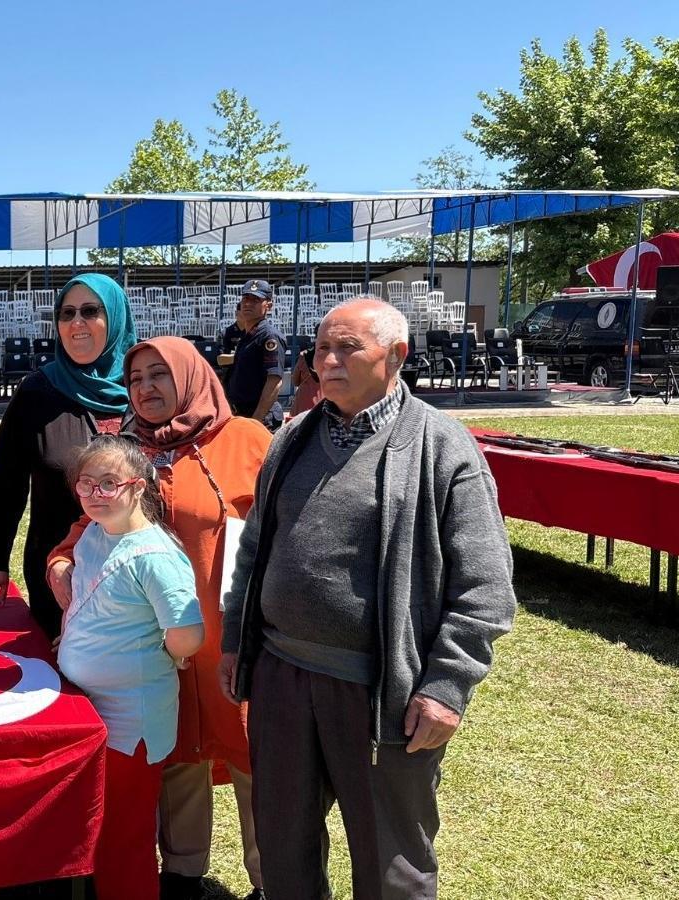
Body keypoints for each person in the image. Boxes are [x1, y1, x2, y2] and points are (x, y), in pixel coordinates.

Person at [218, 299, 516, 900]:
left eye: (346, 348)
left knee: (391, 865)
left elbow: (485, 587)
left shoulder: (443, 446)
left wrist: (446, 686)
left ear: (396, 356)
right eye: (320, 349)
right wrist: (235, 643)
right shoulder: (294, 436)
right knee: (283, 848)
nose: (326, 361)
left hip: (381, 694)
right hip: (281, 678)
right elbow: (253, 550)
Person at [46, 336, 269, 900]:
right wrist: (62, 563)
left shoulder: (246, 441)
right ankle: (183, 874)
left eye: (159, 375)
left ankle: (273, 880)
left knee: (255, 759)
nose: (145, 388)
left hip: (228, 642)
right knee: (175, 759)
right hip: (155, 653)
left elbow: (287, 533)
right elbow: (86, 530)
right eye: (136, 378)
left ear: (191, 377)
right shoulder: (128, 452)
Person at [58, 434, 203, 900]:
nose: (95, 494)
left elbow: (187, 633)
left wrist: (168, 653)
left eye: (109, 483)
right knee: (96, 823)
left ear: (138, 487)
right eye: (86, 483)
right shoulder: (96, 533)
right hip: (88, 706)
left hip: (128, 718)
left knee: (124, 832)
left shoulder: (156, 556)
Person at [0, 273, 136, 638]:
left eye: (90, 311)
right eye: (66, 313)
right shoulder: (37, 391)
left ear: (115, 317)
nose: (76, 322)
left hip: (136, 581)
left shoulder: (145, 386)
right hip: (57, 577)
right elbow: (6, 483)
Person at [222, 280, 285, 431]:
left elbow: (274, 382)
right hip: (242, 415)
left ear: (268, 305)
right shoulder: (247, 336)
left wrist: (256, 420)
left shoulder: (269, 336)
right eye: (245, 298)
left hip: (260, 419)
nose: (248, 304)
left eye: (255, 300)